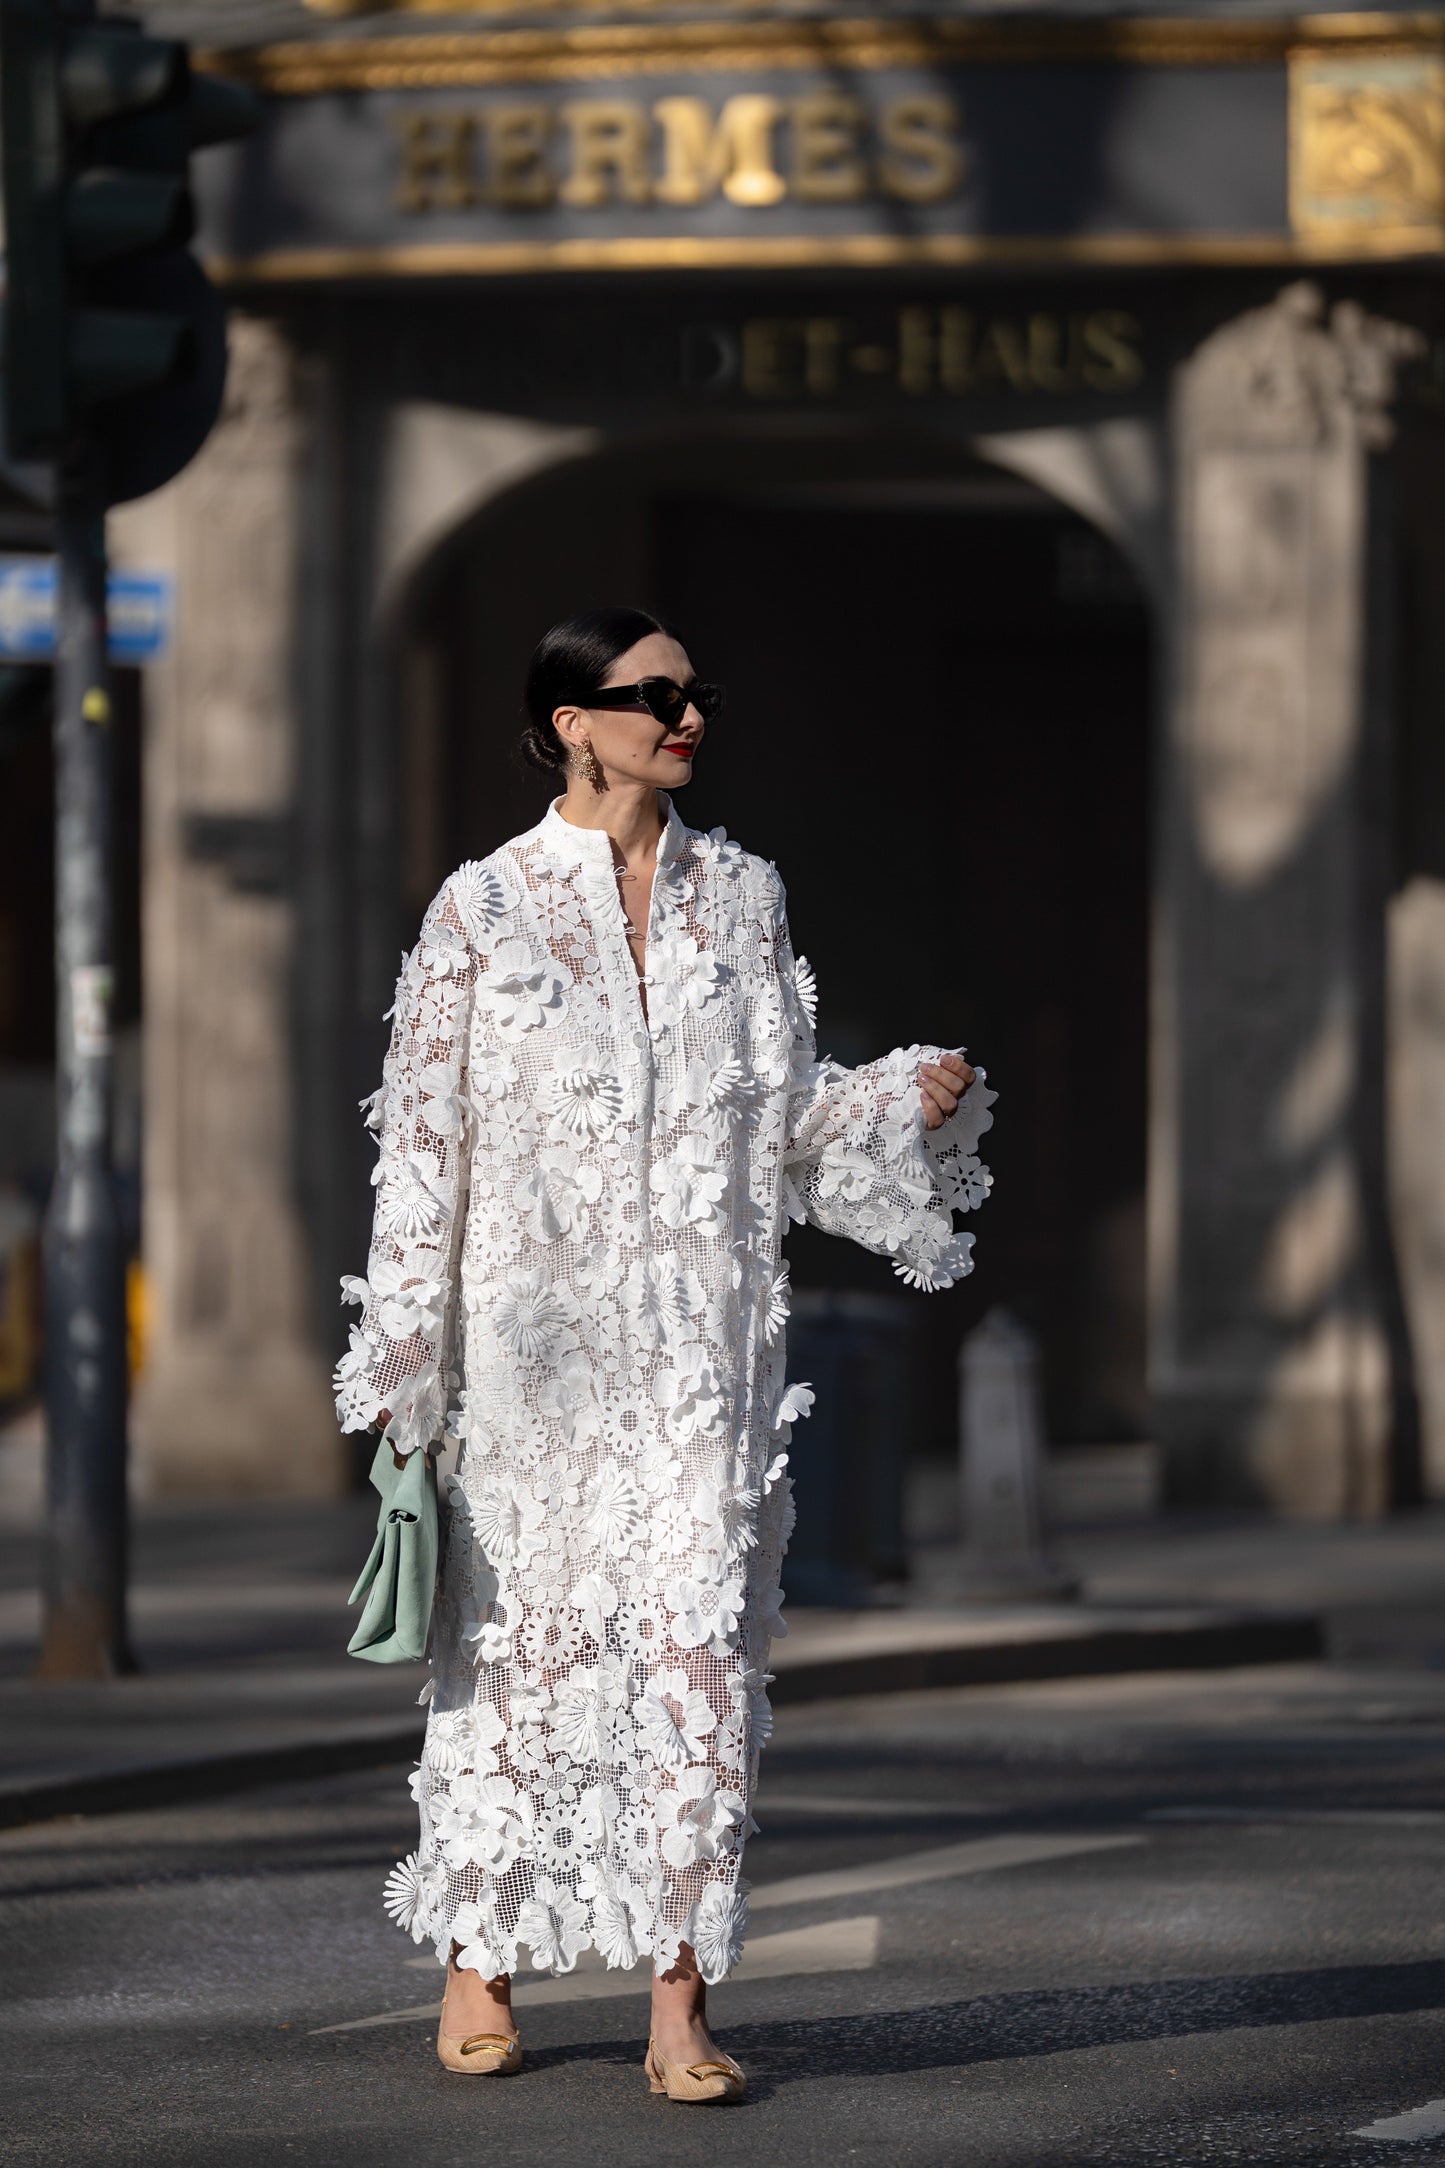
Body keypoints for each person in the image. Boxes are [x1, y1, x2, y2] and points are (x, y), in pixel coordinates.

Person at [335, 607, 995, 2102]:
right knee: (518, 1658)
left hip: (703, 1362)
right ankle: (478, 1960)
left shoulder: (742, 898)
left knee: (698, 1662)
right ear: (571, 719)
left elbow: (783, 1135)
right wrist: (402, 1365)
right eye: (653, 695)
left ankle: (678, 2000)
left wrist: (904, 1106)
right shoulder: (480, 910)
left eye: (698, 693)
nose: (685, 716)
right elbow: (422, 1150)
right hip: (528, 1363)